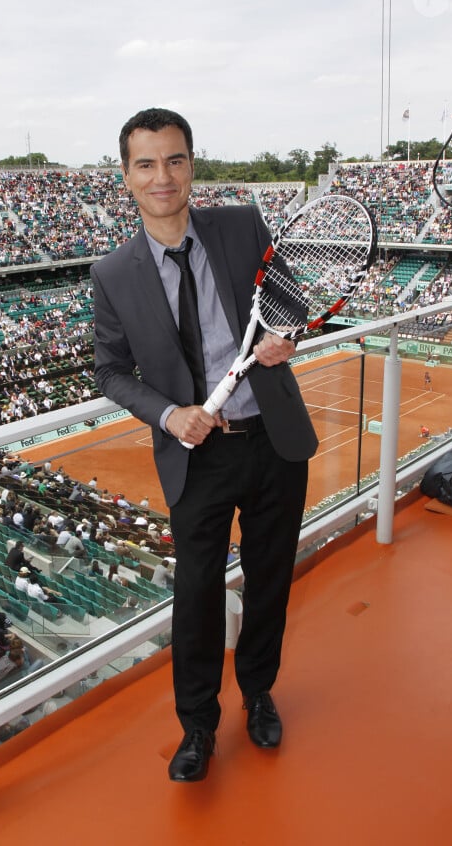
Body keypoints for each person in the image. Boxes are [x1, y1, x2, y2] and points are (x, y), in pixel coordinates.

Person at [92, 108, 318, 783]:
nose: (163, 176)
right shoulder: (112, 272)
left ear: (191, 164)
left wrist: (288, 337)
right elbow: (109, 371)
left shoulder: (243, 225)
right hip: (196, 457)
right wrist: (167, 416)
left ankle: (258, 692)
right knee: (195, 598)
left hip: (273, 441)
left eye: (175, 160)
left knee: (272, 579)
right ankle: (197, 725)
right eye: (146, 164)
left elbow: (290, 304)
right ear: (127, 176)